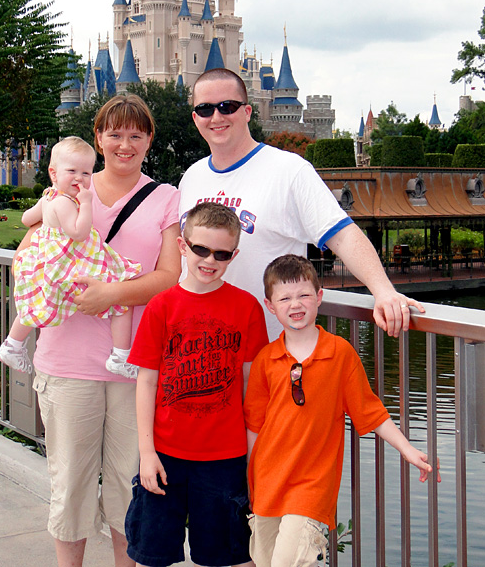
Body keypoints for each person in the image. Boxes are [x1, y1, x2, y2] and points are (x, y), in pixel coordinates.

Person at [17, 94, 181, 567]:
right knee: (70, 486)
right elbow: (24, 258)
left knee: (132, 488)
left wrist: (110, 294)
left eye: (136, 134)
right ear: (98, 138)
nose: (124, 144)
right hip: (68, 365)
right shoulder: (65, 192)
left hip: (137, 369)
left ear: (150, 139)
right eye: (115, 134)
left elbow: (169, 276)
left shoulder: (164, 198)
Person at [179, 67, 424, 340]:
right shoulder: (192, 177)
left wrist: (383, 290)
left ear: (247, 112)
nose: (216, 117)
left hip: (268, 355)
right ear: (195, 117)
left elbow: (342, 234)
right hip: (198, 353)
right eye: (205, 109)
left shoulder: (289, 170)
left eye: (227, 106)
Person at [244, 254, 439, 567]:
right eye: (285, 298)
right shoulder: (266, 359)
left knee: (289, 561)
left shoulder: (339, 353)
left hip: (311, 487)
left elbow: (369, 410)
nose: (296, 304)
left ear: (319, 297)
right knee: (265, 560)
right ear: (271, 306)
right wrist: (248, 479)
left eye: (304, 295)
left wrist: (407, 449)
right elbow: (254, 426)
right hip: (267, 482)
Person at [125, 202, 269, 567]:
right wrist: (146, 453)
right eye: (200, 249)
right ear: (182, 246)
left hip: (225, 457)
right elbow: (146, 382)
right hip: (166, 454)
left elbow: (253, 386)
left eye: (221, 253)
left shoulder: (247, 307)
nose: (210, 260)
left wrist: (254, 456)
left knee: (232, 555)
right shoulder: (161, 306)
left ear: (234, 255)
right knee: (150, 553)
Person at [0, 136, 142, 378]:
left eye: (86, 173)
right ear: (54, 173)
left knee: (36, 303)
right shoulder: (65, 203)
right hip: (68, 266)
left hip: (51, 264)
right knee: (120, 298)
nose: (79, 178)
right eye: (72, 171)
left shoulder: (48, 198)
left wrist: (45, 221)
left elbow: (25, 219)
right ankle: (121, 355)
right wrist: (85, 204)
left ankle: (12, 343)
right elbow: (79, 233)